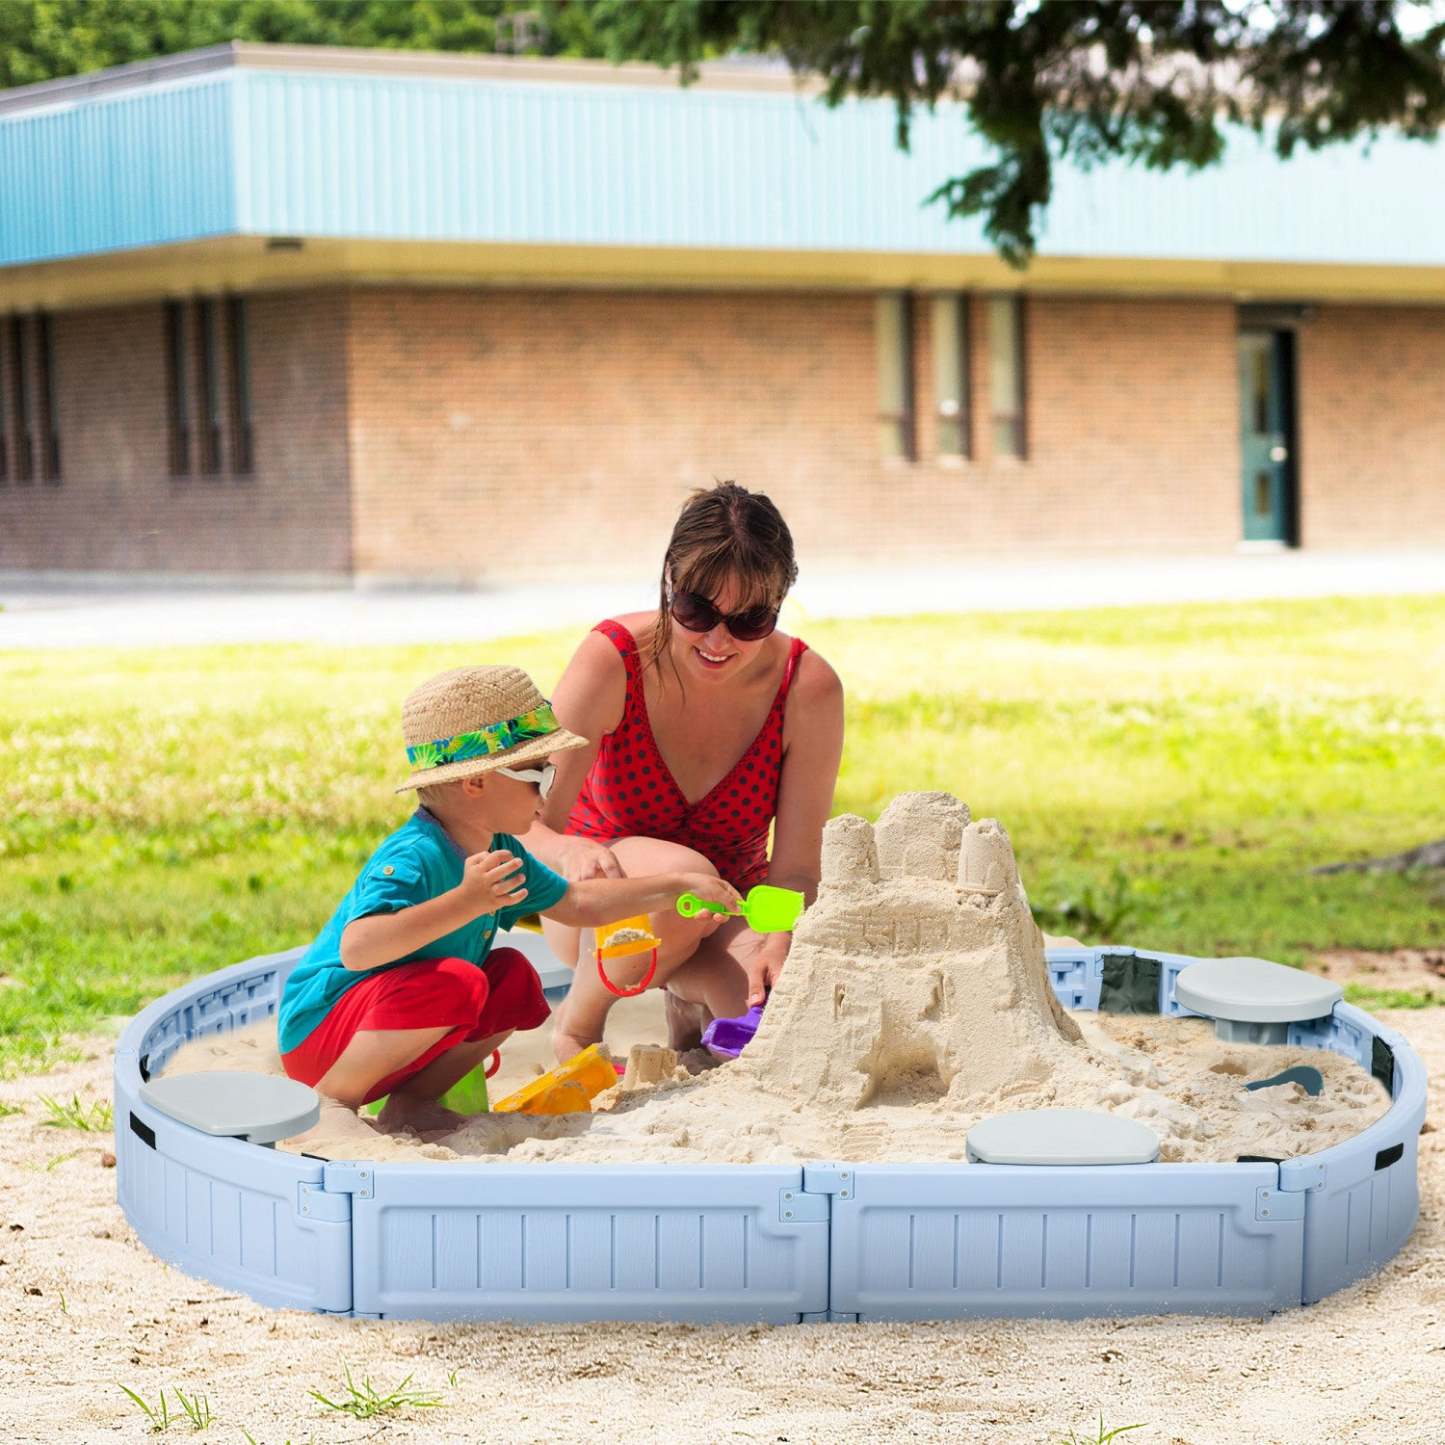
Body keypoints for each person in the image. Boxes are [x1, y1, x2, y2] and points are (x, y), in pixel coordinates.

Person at [277, 665, 739, 1135]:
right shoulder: (414, 855)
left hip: (386, 1031)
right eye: (537, 776)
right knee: (458, 982)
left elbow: (577, 903)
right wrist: (466, 901)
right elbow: (359, 948)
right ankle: (333, 1103)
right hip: (324, 1033)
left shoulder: (499, 846)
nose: (547, 795)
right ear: (475, 783)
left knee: (513, 979)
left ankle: (412, 1103)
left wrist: (674, 885)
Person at [523, 482, 845, 1061]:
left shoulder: (807, 688)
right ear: (670, 581)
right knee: (681, 880)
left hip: (728, 901)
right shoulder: (614, 658)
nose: (719, 640)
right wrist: (569, 852)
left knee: (765, 1024)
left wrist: (777, 936)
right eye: (697, 611)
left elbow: (795, 869)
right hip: (601, 910)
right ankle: (579, 1022)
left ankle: (688, 996)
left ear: (780, 603)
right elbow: (526, 825)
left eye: (750, 621)